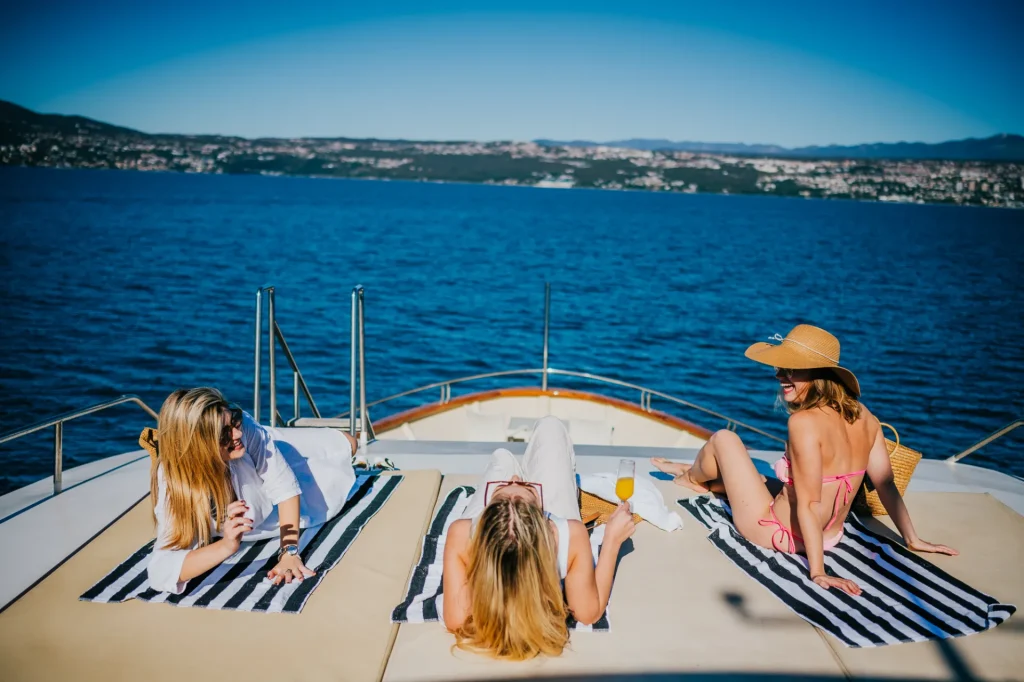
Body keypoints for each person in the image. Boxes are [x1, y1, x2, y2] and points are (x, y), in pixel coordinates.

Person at [652, 325, 957, 596]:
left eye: (792, 369)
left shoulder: (804, 423)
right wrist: (912, 538)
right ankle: (701, 476)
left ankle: (690, 479)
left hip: (778, 532)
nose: (780, 376)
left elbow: (809, 504)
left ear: (819, 375)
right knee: (759, 479)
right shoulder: (866, 417)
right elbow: (886, 485)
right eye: (781, 368)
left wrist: (818, 571)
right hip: (831, 535)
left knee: (724, 439)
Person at [442, 416, 636, 660]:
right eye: (525, 489)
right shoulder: (569, 534)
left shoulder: (462, 533)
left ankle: (511, 489)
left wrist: (491, 576)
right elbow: (590, 612)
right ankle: (527, 490)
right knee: (551, 427)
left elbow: (455, 619)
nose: (515, 479)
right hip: (524, 525)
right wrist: (612, 541)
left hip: (499, 530)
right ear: (545, 519)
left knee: (502, 457)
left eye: (502, 492)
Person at [147, 387, 358, 594]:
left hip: (266, 447)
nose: (237, 432)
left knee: (349, 443)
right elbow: (160, 572)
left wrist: (289, 552)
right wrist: (226, 546)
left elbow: (285, 487)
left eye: (234, 421)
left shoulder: (245, 429)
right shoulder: (175, 486)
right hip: (255, 481)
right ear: (200, 444)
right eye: (224, 433)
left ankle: (286, 447)